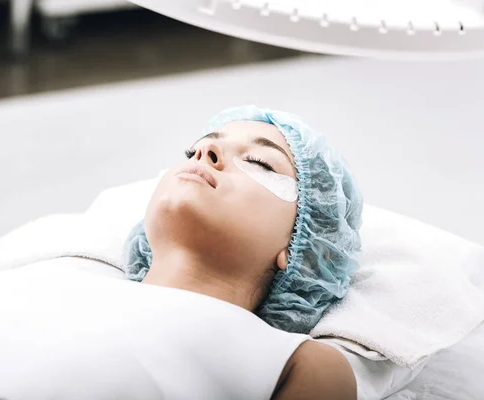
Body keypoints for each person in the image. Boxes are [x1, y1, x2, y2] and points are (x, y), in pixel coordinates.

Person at [124, 105, 363, 399]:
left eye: (259, 162)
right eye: (192, 150)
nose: (205, 150)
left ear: (306, 252)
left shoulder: (301, 363)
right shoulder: (61, 284)